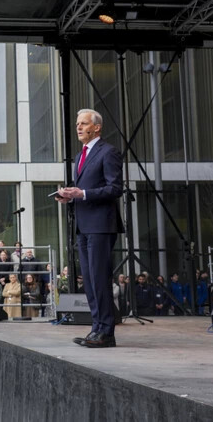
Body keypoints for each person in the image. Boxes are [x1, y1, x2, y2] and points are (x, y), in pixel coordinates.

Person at [56, 109, 123, 348]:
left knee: (99, 278)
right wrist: (69, 196)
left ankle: (107, 332)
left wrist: (82, 193)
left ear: (97, 127)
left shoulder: (109, 152)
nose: (78, 127)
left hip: (101, 225)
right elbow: (83, 189)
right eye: (77, 123)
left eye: (83, 123)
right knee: (90, 280)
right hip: (83, 226)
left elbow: (115, 188)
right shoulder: (79, 156)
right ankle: (97, 328)